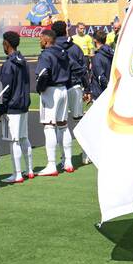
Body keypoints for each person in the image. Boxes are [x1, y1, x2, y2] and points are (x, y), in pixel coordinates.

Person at [0, 30, 34, 183]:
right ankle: (29, 170)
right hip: (23, 105)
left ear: (7, 44)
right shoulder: (23, 60)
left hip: (12, 107)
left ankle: (17, 174)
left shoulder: (8, 64)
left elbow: (5, 90)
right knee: (24, 138)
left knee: (14, 140)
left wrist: (0, 111)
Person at [34, 26, 73, 176]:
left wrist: (40, 88)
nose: (39, 41)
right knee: (63, 125)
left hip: (51, 90)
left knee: (49, 127)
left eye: (40, 39)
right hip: (63, 89)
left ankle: (51, 164)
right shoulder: (63, 51)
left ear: (46, 40)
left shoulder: (46, 54)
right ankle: (68, 162)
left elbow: (43, 73)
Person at [55, 20, 88, 165]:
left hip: (59, 88)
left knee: (61, 125)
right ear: (66, 31)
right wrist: (87, 88)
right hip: (75, 86)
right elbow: (83, 69)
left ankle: (65, 159)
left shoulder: (53, 48)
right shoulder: (75, 47)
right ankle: (86, 154)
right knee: (79, 122)